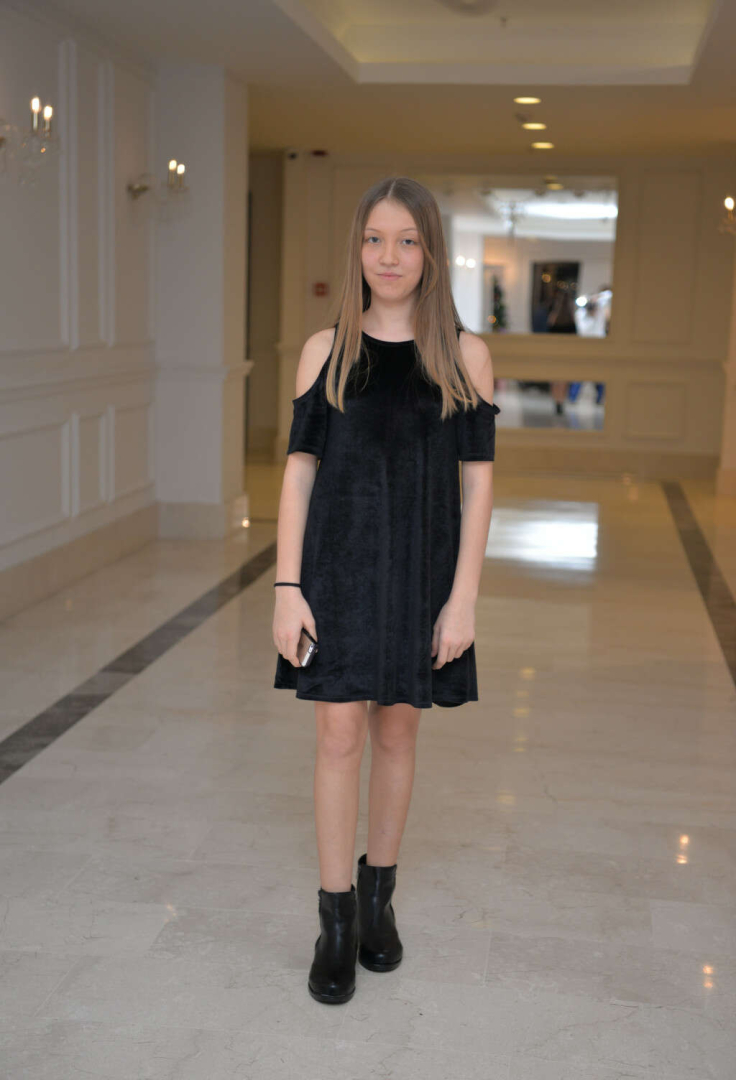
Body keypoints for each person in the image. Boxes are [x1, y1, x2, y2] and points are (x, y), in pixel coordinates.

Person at [272, 176, 500, 1005]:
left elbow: (478, 485)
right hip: (335, 572)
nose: (389, 256)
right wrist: (287, 587)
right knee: (338, 736)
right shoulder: (325, 350)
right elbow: (299, 475)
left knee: (398, 735)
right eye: (375, 239)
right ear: (358, 248)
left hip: (420, 577)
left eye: (407, 240)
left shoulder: (464, 356)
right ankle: (334, 921)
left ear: (430, 251)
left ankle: (379, 903)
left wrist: (463, 599)